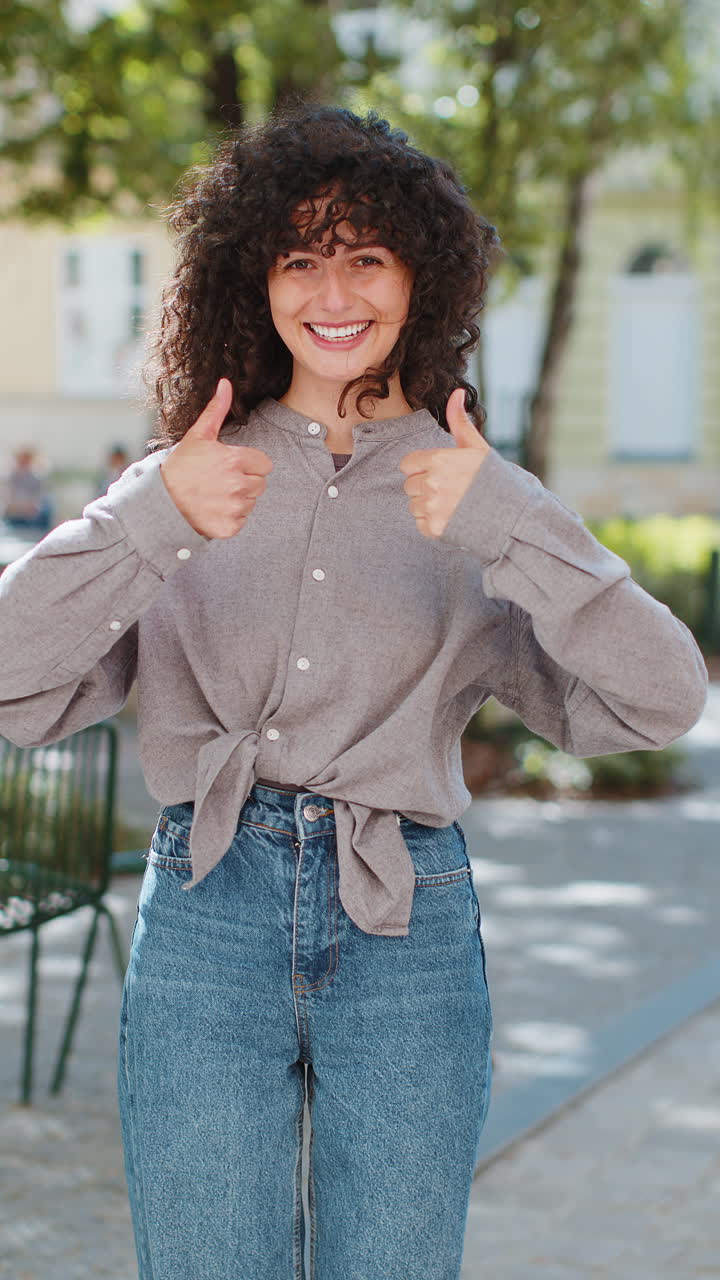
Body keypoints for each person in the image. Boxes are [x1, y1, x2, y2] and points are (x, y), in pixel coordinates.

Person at [0, 104, 708, 1279]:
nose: (336, 290)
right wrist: (148, 521)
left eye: (367, 254)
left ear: (419, 275)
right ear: (256, 282)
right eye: (300, 257)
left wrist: (509, 520)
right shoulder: (183, 477)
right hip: (208, 899)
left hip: (406, 919)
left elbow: (665, 697)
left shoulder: (476, 490)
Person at [1, 446, 53, 534]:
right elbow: (7, 499)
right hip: (12, 515)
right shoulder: (9, 477)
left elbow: (38, 499)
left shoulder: (36, 478)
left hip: (31, 516)